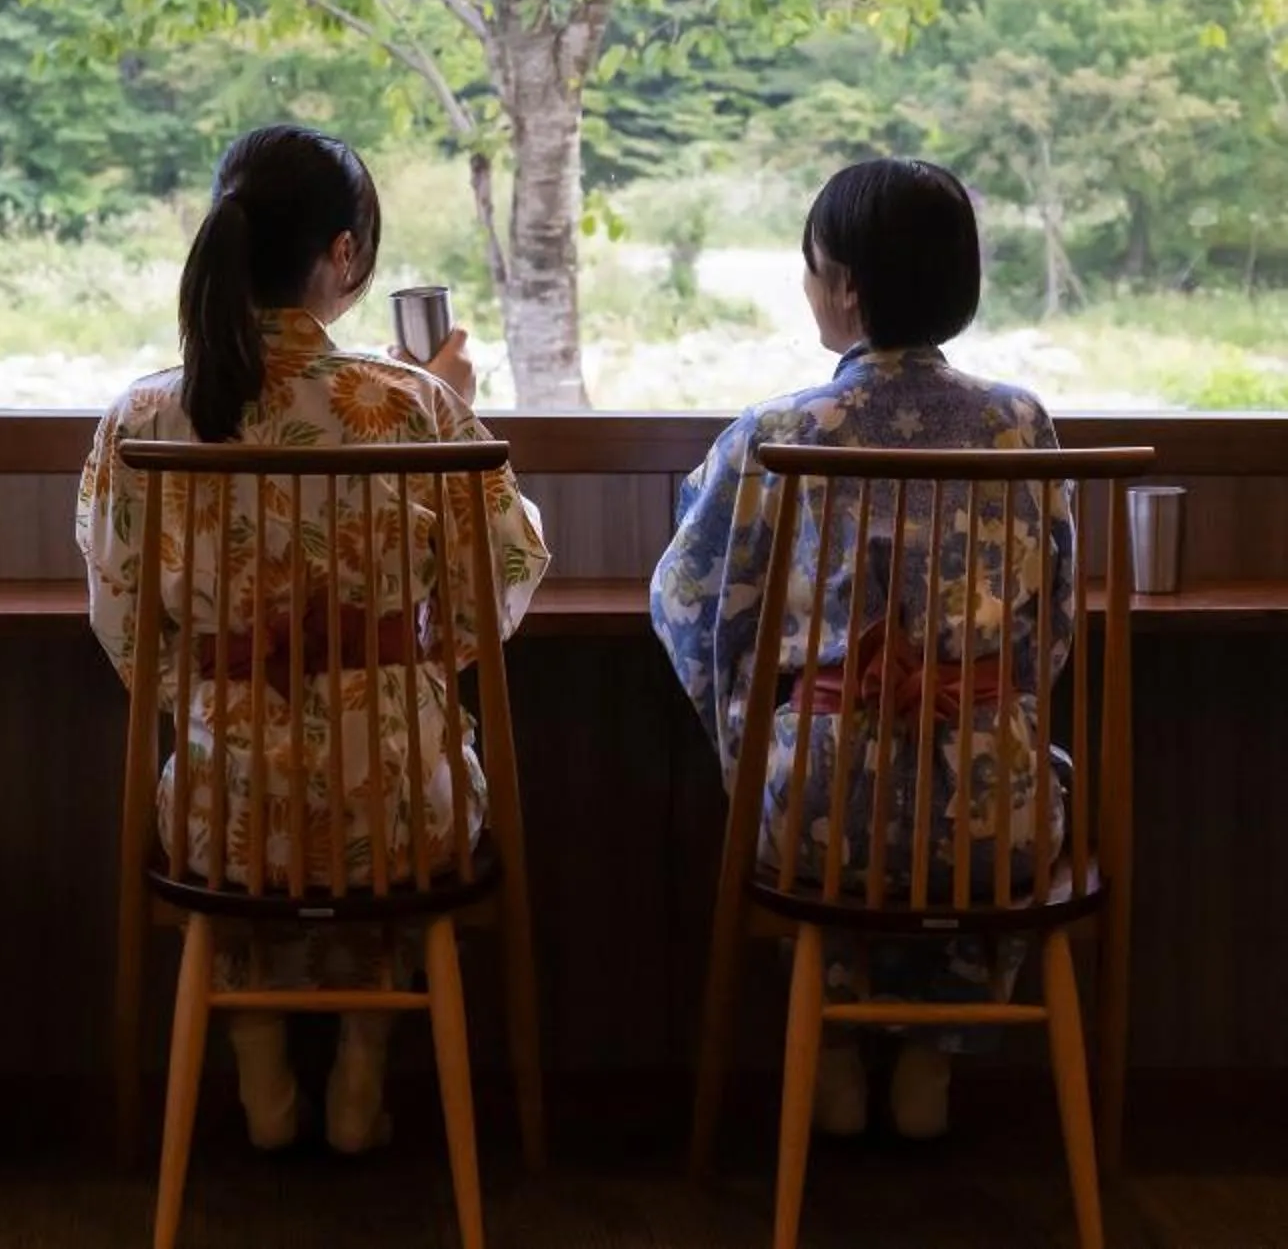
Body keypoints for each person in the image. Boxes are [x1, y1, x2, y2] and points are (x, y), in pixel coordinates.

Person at [76, 125, 549, 1154]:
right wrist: (419, 663)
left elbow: (121, 621)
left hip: (221, 794)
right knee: (393, 802)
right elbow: (505, 575)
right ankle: (361, 1084)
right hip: (397, 796)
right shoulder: (414, 403)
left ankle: (262, 1088)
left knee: (246, 831)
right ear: (342, 258)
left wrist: (217, 693)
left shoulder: (145, 413)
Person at [651, 157, 1073, 1142]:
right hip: (987, 807)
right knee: (1006, 782)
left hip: (817, 817)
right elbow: (1049, 629)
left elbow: (688, 599)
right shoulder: (1023, 425)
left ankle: (830, 1050)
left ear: (842, 285)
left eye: (811, 268)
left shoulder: (778, 431)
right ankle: (933, 1055)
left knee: (810, 783)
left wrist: (756, 730)